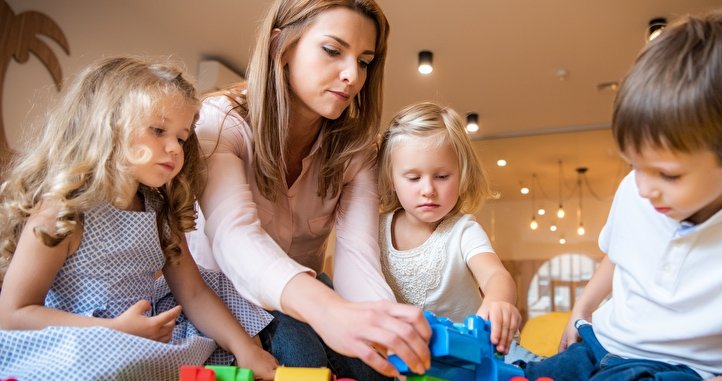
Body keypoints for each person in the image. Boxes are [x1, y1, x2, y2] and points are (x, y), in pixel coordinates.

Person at [521, 9, 722, 381]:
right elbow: (617, 257)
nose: (642, 188)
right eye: (634, 166)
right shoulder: (635, 195)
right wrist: (582, 308)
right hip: (599, 343)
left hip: (677, 371)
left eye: (667, 174)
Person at [186, 0, 431, 379]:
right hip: (222, 299)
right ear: (280, 47)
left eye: (364, 61)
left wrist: (390, 339)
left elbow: (357, 259)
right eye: (333, 50)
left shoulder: (357, 150)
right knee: (302, 357)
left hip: (308, 297)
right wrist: (328, 311)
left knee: (378, 367)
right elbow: (234, 237)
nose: (352, 74)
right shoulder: (221, 123)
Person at [0, 57, 278, 380]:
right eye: (158, 130)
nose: (174, 148)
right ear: (110, 126)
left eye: (181, 137)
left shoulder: (159, 212)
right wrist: (113, 330)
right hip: (80, 339)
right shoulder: (63, 209)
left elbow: (194, 294)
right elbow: (12, 313)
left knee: (225, 295)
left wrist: (245, 349)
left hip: (144, 333)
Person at [376, 102, 540, 364]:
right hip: (413, 360)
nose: (428, 189)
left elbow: (495, 275)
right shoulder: (375, 230)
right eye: (413, 178)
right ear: (390, 179)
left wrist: (499, 302)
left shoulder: (463, 231)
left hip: (479, 352)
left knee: (542, 368)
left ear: (462, 176)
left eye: (442, 176)